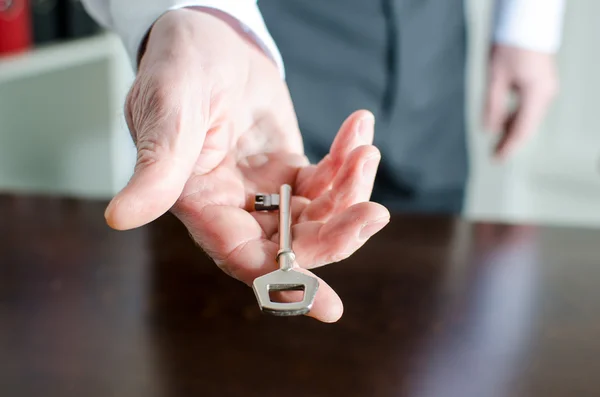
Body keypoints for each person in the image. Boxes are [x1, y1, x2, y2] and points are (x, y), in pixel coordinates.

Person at [80, 0, 565, 322]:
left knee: (428, 310)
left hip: (433, 53)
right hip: (263, 64)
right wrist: (198, 15)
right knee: (225, 316)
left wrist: (529, 28)